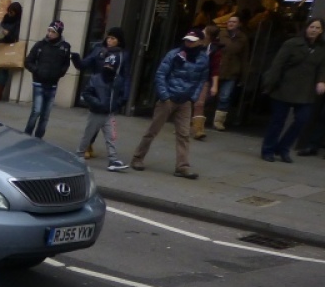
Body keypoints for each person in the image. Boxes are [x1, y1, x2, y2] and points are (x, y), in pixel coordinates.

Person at [130, 30, 209, 179]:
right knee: (153, 130)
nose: (188, 43)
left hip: (185, 101)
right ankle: (137, 158)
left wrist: (192, 97)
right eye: (187, 40)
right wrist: (165, 95)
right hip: (169, 98)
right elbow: (160, 74)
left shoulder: (203, 59)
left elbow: (202, 80)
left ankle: (182, 166)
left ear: (200, 42)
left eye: (192, 40)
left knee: (184, 134)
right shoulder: (174, 54)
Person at [259, 17, 325, 163]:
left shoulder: (321, 49)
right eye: (312, 27)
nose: (314, 30)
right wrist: (269, 85)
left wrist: (321, 81)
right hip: (284, 88)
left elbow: (322, 67)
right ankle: (268, 149)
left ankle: (283, 148)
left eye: (317, 28)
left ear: (321, 31)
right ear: (306, 28)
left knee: (302, 120)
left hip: (305, 92)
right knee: (277, 121)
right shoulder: (291, 44)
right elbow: (277, 64)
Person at [74, 27, 131, 172]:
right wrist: (76, 59)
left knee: (110, 134)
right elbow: (84, 65)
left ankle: (113, 159)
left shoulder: (122, 56)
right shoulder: (99, 54)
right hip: (100, 99)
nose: (110, 41)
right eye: (109, 38)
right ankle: (80, 153)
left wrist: (122, 98)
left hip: (110, 100)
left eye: (113, 38)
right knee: (90, 132)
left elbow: (125, 76)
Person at [23, 20, 71, 139]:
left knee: (45, 115)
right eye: (49, 31)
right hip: (39, 82)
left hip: (52, 84)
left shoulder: (64, 47)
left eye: (53, 31)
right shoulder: (40, 45)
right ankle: (27, 135)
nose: (49, 33)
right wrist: (37, 70)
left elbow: (66, 64)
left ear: (58, 33)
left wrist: (59, 74)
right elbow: (28, 61)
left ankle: (39, 137)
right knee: (36, 111)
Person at [213, 13, 249, 131]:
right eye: (229, 21)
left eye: (234, 22)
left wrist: (243, 76)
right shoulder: (220, 34)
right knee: (208, 95)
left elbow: (244, 58)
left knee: (225, 96)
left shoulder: (243, 38)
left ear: (239, 24)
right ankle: (198, 118)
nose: (231, 23)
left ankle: (219, 121)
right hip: (217, 69)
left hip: (232, 71)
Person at [0, 1, 23, 100]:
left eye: (12, 12)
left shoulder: (17, 22)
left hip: (8, 46)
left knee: (3, 71)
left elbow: (15, 36)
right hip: (0, 45)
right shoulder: (6, 18)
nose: (10, 13)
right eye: (9, 11)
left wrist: (7, 33)